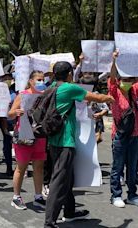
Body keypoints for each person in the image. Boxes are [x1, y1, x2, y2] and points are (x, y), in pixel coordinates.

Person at [44, 61, 114, 228]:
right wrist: (109, 98)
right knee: (59, 182)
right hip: (65, 142)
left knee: (67, 179)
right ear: (69, 74)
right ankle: (49, 223)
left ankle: (69, 212)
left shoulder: (52, 87)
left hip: (53, 141)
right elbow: (96, 97)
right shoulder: (69, 88)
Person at [8, 70, 47, 210]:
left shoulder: (45, 96)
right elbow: (10, 114)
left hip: (40, 134)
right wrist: (16, 112)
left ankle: (38, 196)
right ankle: (16, 197)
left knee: (39, 166)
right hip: (24, 134)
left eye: (43, 79)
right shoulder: (22, 95)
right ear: (30, 81)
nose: (41, 82)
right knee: (21, 167)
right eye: (38, 79)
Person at [108, 51, 138, 208]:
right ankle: (116, 195)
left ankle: (132, 194)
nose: (127, 81)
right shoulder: (114, 90)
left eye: (130, 79)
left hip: (135, 135)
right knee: (117, 167)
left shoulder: (135, 90)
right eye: (124, 79)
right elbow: (112, 77)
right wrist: (114, 61)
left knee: (133, 168)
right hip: (120, 135)